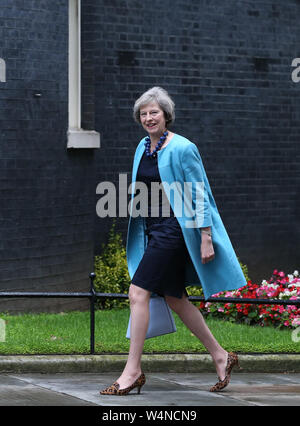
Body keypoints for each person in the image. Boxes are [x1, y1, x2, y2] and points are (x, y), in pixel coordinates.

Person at [100, 86, 246, 396]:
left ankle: (133, 371)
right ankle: (222, 356)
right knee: (174, 298)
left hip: (176, 230)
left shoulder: (183, 147)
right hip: (153, 229)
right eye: (144, 114)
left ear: (166, 115)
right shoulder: (142, 147)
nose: (149, 117)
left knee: (137, 293)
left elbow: (199, 192)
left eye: (154, 112)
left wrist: (206, 236)